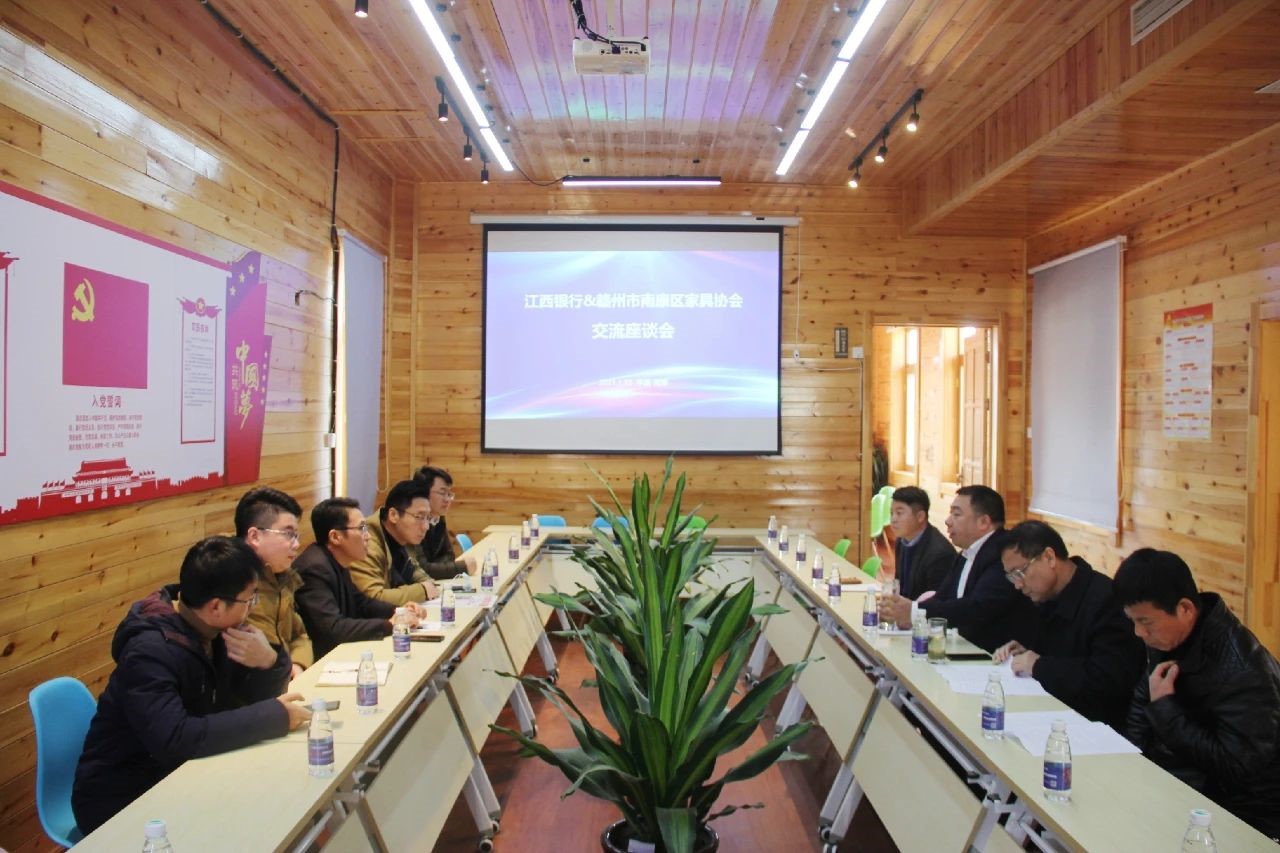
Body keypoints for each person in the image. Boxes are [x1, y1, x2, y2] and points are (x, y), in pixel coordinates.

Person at [71, 537, 310, 834]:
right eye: (250, 599)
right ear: (216, 606)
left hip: (185, 774)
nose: (253, 607)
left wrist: (270, 662)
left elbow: (250, 701)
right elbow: (176, 738)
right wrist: (274, 717)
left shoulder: (218, 630)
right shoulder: (150, 652)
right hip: (122, 797)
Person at [1115, 548, 1280, 840]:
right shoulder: (1168, 637)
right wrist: (1132, 765)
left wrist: (1166, 711)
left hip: (1240, 817)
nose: (1138, 633)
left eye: (1145, 622)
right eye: (1133, 621)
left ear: (1185, 609)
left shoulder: (1243, 670)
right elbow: (1143, 700)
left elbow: (1236, 766)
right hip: (1179, 789)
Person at [992, 520, 1144, 730]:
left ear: (1049, 557)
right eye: (1011, 577)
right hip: (1050, 716)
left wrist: (1038, 665)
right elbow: (1059, 656)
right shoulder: (1043, 597)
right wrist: (1024, 654)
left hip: (1094, 728)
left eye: (1020, 573)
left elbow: (1108, 679)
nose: (1018, 585)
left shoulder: (1106, 600)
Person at [879, 485, 1035, 651]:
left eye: (956, 514)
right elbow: (942, 597)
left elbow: (976, 608)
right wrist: (906, 610)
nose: (948, 521)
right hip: (961, 648)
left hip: (992, 655)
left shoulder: (1003, 554)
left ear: (983, 522)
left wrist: (914, 611)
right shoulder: (966, 553)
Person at [295, 497, 425, 659]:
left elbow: (361, 603)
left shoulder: (335, 559)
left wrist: (399, 611)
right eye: (362, 528)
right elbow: (333, 629)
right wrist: (390, 624)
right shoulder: (314, 568)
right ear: (335, 537)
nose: (368, 536)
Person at [236, 486, 313, 678]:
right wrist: (284, 669)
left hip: (286, 678)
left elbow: (300, 636)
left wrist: (297, 665)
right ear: (255, 536)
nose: (296, 544)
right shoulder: (233, 584)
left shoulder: (283, 577)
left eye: (296, 535)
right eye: (288, 534)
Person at [349, 479, 440, 605]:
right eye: (419, 517)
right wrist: (422, 590)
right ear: (393, 515)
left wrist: (430, 584)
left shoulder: (402, 536)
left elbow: (413, 570)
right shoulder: (366, 542)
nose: (426, 526)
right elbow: (373, 598)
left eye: (427, 518)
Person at [887, 486, 955, 599]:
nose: (893, 519)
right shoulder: (901, 541)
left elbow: (935, 601)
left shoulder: (939, 553)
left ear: (920, 516)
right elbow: (899, 586)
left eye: (899, 513)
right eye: (891, 513)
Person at [411, 465, 477, 578]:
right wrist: (463, 568)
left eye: (449, 494)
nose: (447, 499)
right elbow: (421, 569)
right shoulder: (412, 521)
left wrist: (437, 567)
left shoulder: (437, 517)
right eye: (442, 493)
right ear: (424, 493)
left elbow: (449, 556)